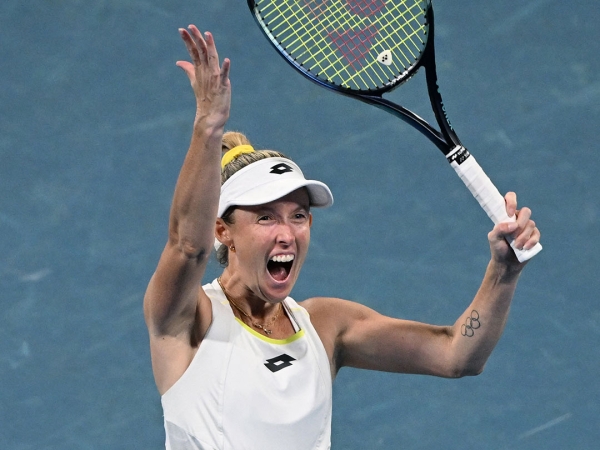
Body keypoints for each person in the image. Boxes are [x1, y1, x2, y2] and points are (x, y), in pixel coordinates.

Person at [143, 26, 541, 450]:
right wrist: (208, 127)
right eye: (266, 218)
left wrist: (504, 271)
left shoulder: (325, 326)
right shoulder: (188, 320)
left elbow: (456, 354)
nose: (287, 234)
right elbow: (187, 247)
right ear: (223, 230)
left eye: (298, 216)